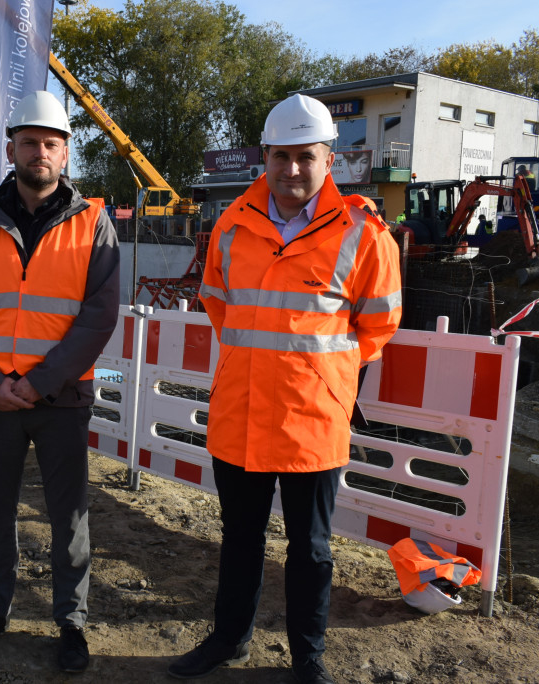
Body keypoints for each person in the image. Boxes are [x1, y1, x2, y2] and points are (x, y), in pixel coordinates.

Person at [168, 93, 402, 683]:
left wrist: (323, 377)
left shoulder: (364, 234)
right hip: (241, 412)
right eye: (280, 157)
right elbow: (218, 307)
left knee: (312, 550)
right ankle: (229, 641)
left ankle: (308, 658)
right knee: (239, 541)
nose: (292, 170)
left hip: (312, 420)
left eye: (305, 157)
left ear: (329, 159)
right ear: (263, 159)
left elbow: (379, 324)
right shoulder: (230, 225)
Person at [0, 90, 120, 674]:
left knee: (69, 518)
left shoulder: (94, 223)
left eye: (50, 143)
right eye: (29, 142)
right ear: (11, 148)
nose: (39, 152)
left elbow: (98, 317)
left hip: (60, 400)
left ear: (65, 153)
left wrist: (39, 382)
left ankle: (72, 622)